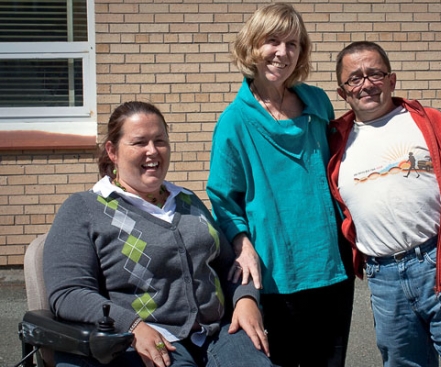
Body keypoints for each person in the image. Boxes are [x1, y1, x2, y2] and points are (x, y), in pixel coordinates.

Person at [43, 101, 274, 367]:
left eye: (160, 141)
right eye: (139, 142)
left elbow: (228, 265)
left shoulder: (188, 200)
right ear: (113, 151)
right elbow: (68, 293)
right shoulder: (85, 208)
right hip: (150, 341)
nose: (152, 151)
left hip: (219, 332)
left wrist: (246, 298)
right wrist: (131, 326)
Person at [327, 41, 441, 367]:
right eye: (354, 78)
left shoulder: (432, 124)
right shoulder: (336, 141)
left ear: (392, 80)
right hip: (384, 280)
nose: (366, 84)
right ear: (343, 92)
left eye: (375, 74)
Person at [206, 3, 354, 367]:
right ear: (253, 46)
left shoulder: (317, 101)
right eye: (272, 41)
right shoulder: (235, 121)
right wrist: (240, 242)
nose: (282, 52)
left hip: (331, 265)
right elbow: (224, 198)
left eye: (293, 44)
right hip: (276, 273)